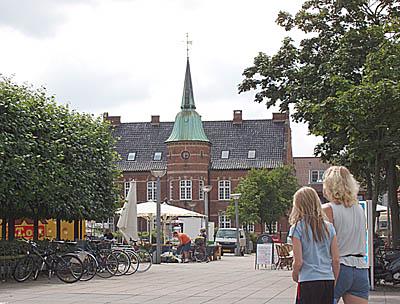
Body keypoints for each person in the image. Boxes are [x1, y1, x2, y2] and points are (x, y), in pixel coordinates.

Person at [322, 166, 369, 304]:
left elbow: (323, 244)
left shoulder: (328, 209)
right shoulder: (359, 208)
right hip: (360, 268)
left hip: (338, 268)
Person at [289, 186, 340, 304]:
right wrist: (334, 279)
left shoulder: (297, 228)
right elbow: (336, 259)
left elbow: (298, 261)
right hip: (327, 279)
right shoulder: (329, 227)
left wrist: (295, 275)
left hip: (308, 279)